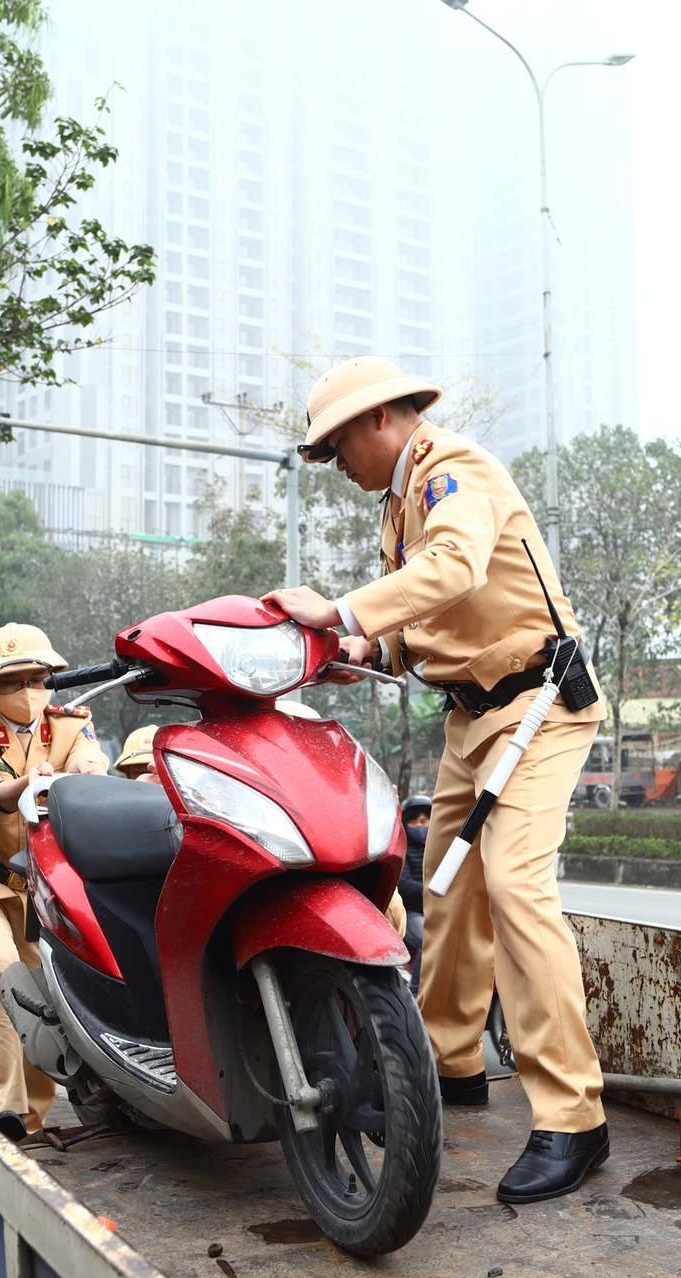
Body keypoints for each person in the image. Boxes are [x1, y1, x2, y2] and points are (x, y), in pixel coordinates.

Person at [264, 355, 610, 1205]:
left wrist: (342, 610)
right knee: (448, 894)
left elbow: (454, 568)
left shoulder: (453, 472)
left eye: (337, 443)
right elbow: (429, 622)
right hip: (471, 720)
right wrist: (366, 651)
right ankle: (451, 1065)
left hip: (534, 706)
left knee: (516, 886)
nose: (336, 462)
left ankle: (574, 1117)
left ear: (380, 420)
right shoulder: (398, 511)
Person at [0, 624, 108, 1142]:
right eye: (14, 682)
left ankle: (32, 1120)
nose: (29, 691)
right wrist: (26, 783)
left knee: (40, 997)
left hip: (43, 891)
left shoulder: (73, 723)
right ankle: (7, 1111)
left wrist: (81, 769)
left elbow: (91, 765)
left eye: (38, 679)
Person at [398, 793, 432, 988]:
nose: (421, 825)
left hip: (440, 910)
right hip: (413, 913)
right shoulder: (401, 849)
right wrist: (432, 893)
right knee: (430, 938)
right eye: (415, 821)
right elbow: (403, 885)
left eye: (426, 820)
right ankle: (417, 992)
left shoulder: (444, 847)